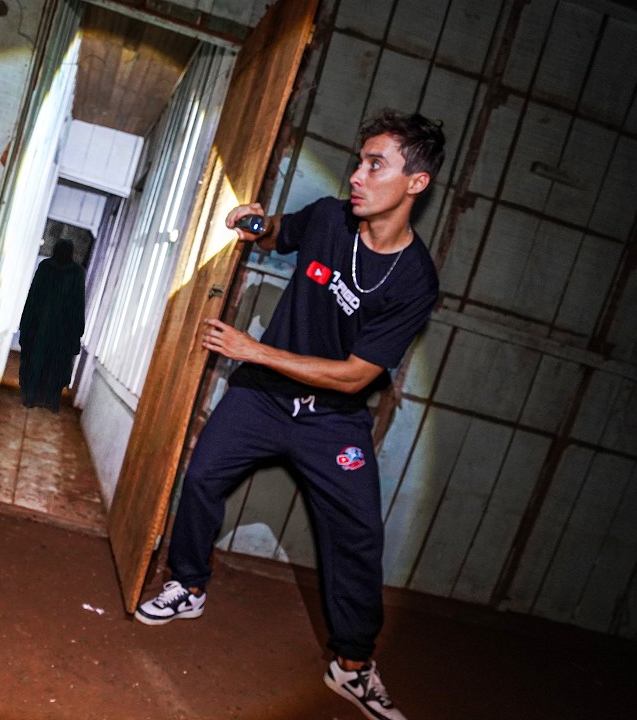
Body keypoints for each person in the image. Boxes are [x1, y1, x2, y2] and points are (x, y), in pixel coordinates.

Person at [135, 109, 444, 720]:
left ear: (415, 183)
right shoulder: (331, 219)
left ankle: (353, 665)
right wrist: (253, 222)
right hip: (261, 398)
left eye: (374, 164)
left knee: (358, 537)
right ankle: (188, 584)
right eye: (360, 160)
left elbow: (358, 374)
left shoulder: (415, 281)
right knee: (201, 479)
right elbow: (280, 232)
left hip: (335, 420)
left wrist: (253, 349)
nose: (357, 174)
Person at [17, 239, 86, 411]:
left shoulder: (46, 267)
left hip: (42, 326)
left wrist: (27, 324)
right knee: (55, 366)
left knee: (37, 363)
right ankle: (51, 401)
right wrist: (77, 331)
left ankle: (31, 397)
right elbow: (78, 304)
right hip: (61, 331)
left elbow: (33, 297)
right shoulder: (76, 272)